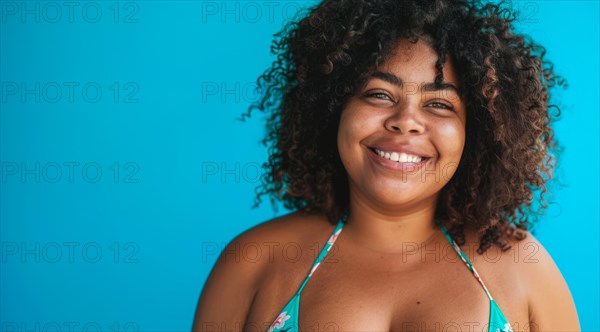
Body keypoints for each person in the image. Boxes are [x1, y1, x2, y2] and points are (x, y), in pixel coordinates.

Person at [193, 0, 580, 331]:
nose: (405, 120)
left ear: (476, 131)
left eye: (439, 104)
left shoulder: (523, 268)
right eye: (379, 94)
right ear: (333, 109)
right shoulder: (254, 260)